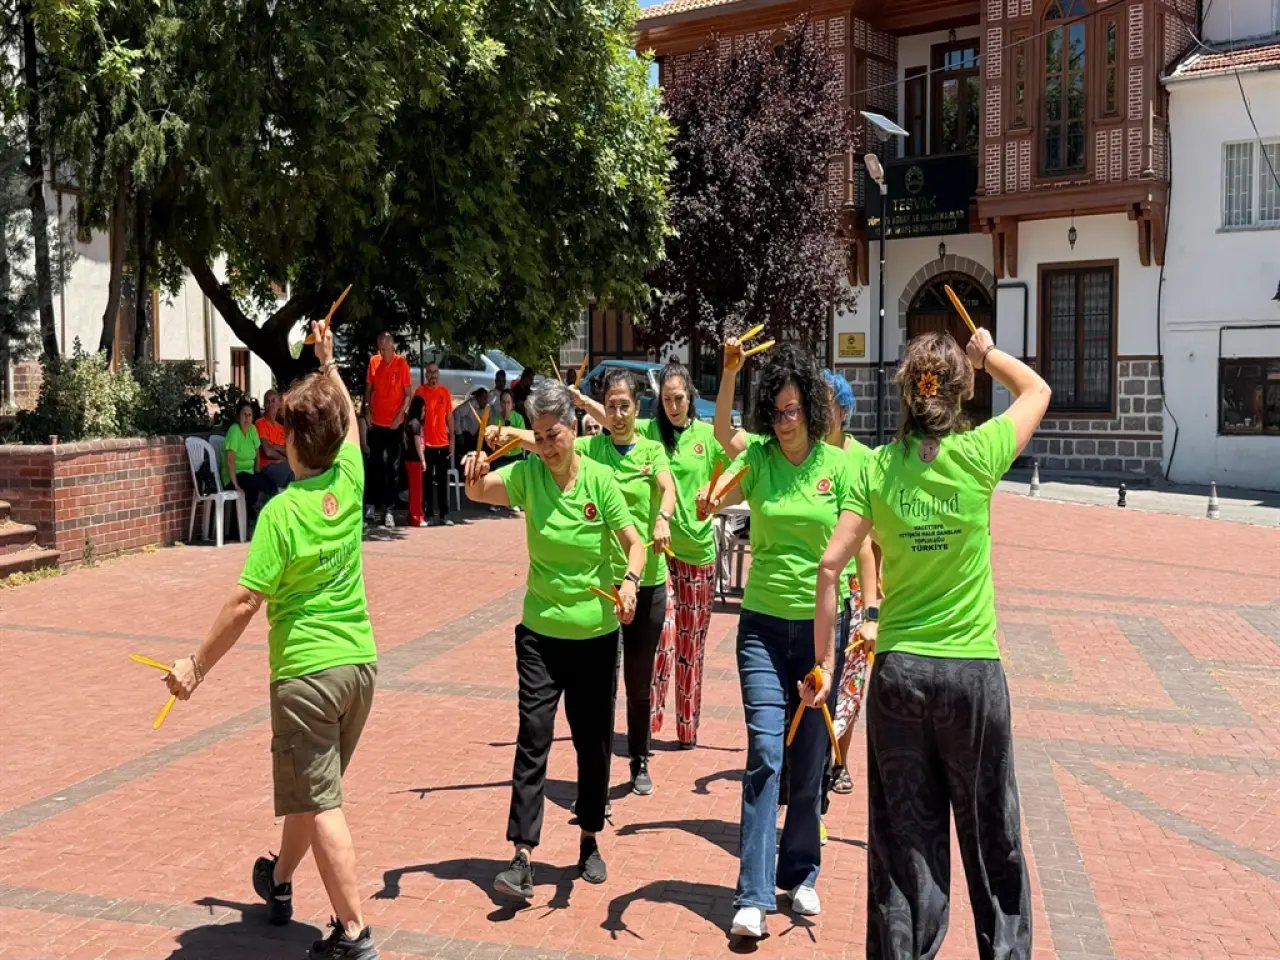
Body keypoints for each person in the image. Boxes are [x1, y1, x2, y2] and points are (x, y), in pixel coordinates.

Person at [815, 328, 1051, 960]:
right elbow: (1037, 390)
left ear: (906, 394)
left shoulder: (875, 467)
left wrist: (826, 662)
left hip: (900, 677)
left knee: (904, 847)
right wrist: (986, 354)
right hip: (971, 675)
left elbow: (830, 565)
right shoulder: (978, 453)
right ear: (959, 393)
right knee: (993, 837)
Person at [164, 321, 380, 960]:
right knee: (312, 792)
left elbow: (245, 601)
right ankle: (279, 881)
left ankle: (353, 933)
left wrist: (196, 665)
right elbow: (350, 424)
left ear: (291, 441)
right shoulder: (349, 479)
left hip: (306, 675)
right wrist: (328, 362)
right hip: (359, 669)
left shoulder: (282, 512)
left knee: (321, 800)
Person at [463, 379, 647, 899]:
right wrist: (473, 471)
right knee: (534, 734)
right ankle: (522, 853)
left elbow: (634, 544)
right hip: (540, 634)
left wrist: (630, 583)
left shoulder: (599, 480)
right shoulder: (528, 476)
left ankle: (589, 838)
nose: (545, 447)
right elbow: (478, 490)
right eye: (537, 437)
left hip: (595, 634)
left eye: (553, 435)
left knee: (593, 742)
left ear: (572, 427)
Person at [697, 341, 854, 940]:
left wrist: (868, 612)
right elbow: (720, 434)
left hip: (820, 632)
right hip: (761, 628)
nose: (787, 422)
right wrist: (729, 373)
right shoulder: (759, 459)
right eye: (778, 411)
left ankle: (802, 873)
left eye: (795, 410)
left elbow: (862, 542)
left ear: (812, 408)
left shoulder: (840, 467)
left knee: (809, 760)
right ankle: (753, 897)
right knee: (766, 752)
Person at [500, 370, 677, 796]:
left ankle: (639, 759)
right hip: (603, 588)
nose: (617, 415)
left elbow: (667, 487)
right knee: (605, 692)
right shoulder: (592, 447)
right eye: (610, 406)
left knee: (638, 683)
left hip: (645, 579)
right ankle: (599, 784)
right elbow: (548, 441)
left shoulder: (651, 449)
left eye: (625, 406)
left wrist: (662, 518)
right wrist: (504, 434)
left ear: (637, 408)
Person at [621, 363, 724, 750]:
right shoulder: (651, 433)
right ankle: (649, 722)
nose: (673, 406)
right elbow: (618, 422)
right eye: (666, 399)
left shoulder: (707, 437)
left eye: (679, 398)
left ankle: (687, 728)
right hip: (661, 554)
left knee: (690, 646)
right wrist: (583, 404)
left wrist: (715, 494)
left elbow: (738, 466)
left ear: (690, 396)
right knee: (663, 638)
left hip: (698, 554)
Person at [815, 370, 879, 842]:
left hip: (857, 587)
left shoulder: (864, 459)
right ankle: (820, 761)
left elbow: (873, 538)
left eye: (827, 404)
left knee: (851, 684)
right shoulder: (809, 455)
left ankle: (838, 760)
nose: (820, 413)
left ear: (842, 409)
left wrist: (875, 599)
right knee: (823, 679)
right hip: (821, 588)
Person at [363, 333, 412, 529]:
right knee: (375, 464)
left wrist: (399, 416)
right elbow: (368, 389)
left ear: (393, 348)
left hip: (395, 425)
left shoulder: (401, 364)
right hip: (377, 422)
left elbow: (407, 395)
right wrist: (367, 409)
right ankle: (370, 505)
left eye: (384, 349)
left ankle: (390, 510)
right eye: (380, 349)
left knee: (393, 467)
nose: (381, 353)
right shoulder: (374, 362)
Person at [412, 362, 455, 526]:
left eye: (435, 372)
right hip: (427, 444)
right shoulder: (420, 392)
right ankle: (429, 514)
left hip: (442, 443)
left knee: (443, 481)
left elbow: (449, 417)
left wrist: (452, 440)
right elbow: (416, 417)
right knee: (427, 481)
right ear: (426, 375)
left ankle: (444, 514)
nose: (433, 375)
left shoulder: (445, 392)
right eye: (430, 372)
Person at [223, 400, 278, 521]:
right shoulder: (234, 430)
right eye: (244, 414)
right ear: (238, 416)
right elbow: (230, 460)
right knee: (254, 483)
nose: (247, 418)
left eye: (250, 415)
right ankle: (257, 514)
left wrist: (257, 473)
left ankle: (259, 515)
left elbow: (257, 454)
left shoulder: (252, 430)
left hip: (248, 476)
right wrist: (236, 485)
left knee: (265, 481)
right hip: (234, 477)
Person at [257, 390, 293, 490]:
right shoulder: (260, 423)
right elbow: (268, 452)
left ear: (279, 404)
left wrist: (274, 446)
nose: (270, 405)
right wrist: (285, 458)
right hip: (267, 468)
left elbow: (290, 452)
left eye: (273, 401)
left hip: (283, 468)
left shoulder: (281, 428)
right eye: (267, 402)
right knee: (292, 466)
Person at [402, 395, 427, 528]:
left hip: (409, 459)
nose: (424, 412)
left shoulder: (409, 422)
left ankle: (412, 517)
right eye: (423, 409)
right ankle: (417, 517)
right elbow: (418, 444)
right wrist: (423, 460)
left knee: (413, 490)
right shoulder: (416, 424)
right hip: (415, 460)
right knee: (417, 491)